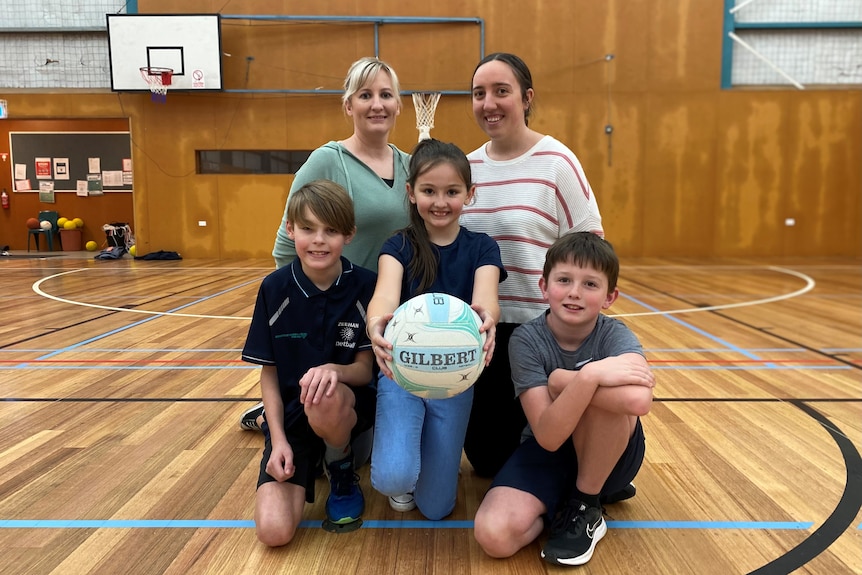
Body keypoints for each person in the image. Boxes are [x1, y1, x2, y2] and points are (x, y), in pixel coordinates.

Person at [241, 55, 410, 432]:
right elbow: (287, 245)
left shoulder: (411, 166)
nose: (377, 104)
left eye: (386, 94)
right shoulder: (326, 161)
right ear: (349, 105)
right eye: (365, 95)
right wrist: (302, 315)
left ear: (399, 104)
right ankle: (285, 413)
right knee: (328, 417)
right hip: (341, 325)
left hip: (392, 321)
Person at [461, 52, 606, 479]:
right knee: (487, 461)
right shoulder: (466, 169)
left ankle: (598, 472)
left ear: (526, 98)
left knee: (559, 443)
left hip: (543, 332)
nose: (489, 103)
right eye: (479, 93)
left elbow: (591, 245)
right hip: (485, 335)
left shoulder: (557, 162)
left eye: (501, 91)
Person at [473, 232, 654, 566]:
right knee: (493, 536)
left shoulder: (615, 335)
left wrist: (562, 381)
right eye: (564, 280)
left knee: (604, 406)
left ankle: (586, 505)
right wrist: (590, 376)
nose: (574, 292)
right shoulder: (527, 340)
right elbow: (549, 438)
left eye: (590, 284)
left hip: (611, 455)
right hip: (549, 450)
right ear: (544, 286)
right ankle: (565, 502)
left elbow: (638, 402)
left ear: (609, 297)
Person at [365, 139, 506, 519]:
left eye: (452, 191)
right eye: (429, 191)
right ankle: (401, 461)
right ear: (411, 193)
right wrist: (375, 322)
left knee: (437, 507)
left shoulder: (482, 247)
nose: (440, 201)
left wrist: (488, 318)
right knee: (394, 479)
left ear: (470, 194)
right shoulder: (398, 246)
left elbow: (487, 299)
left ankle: (425, 464)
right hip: (400, 374)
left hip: (455, 380)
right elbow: (384, 298)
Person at [241, 180, 378, 546]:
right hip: (292, 419)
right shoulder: (274, 289)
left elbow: (365, 371)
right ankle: (298, 450)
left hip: (346, 411)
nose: (319, 240)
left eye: (331, 230)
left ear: (348, 235)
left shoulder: (367, 287)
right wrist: (279, 441)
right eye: (307, 229)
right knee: (274, 532)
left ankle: (340, 466)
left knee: (322, 396)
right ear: (290, 230)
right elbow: (268, 374)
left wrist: (333, 370)